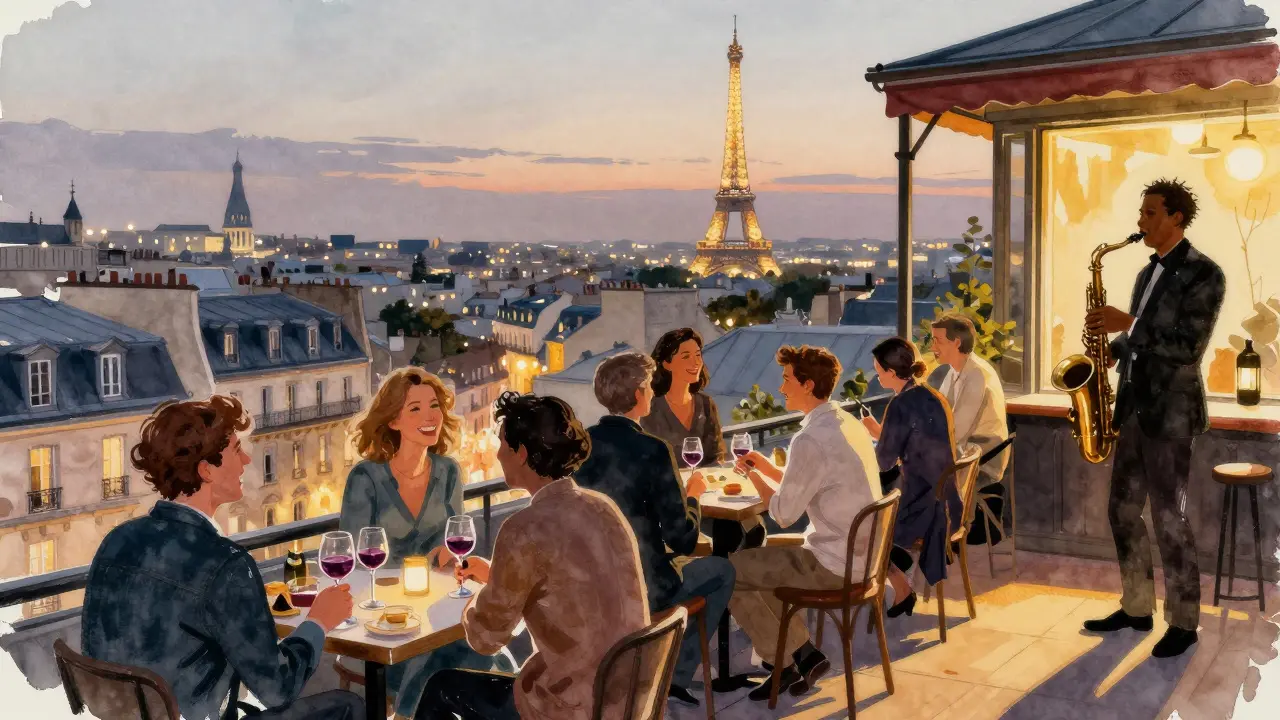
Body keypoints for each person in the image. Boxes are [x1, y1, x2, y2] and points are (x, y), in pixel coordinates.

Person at [82, 397, 363, 720]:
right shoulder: (225, 564)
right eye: (235, 450)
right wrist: (318, 622)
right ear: (206, 470)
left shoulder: (117, 540)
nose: (245, 460)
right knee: (349, 706)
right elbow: (277, 689)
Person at [415, 392, 649, 720]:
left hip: (570, 707)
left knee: (442, 687)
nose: (496, 454)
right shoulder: (601, 507)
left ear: (521, 453)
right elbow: (565, 580)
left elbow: (486, 638)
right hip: (627, 698)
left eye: (502, 445)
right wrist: (498, 574)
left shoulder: (523, 528)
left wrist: (474, 599)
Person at [1082, 177, 1225, 658]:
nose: (1140, 223)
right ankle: (1137, 606)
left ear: (1176, 218)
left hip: (1171, 413)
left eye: (1149, 214)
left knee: (1170, 518)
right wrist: (1109, 348)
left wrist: (1131, 325)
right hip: (1133, 408)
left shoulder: (1206, 273)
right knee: (1121, 511)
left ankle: (1184, 622)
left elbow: (1188, 348)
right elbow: (1140, 344)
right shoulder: (1147, 273)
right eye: (1141, 214)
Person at [340, 367, 507, 719]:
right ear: (393, 421)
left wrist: (450, 555)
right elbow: (357, 564)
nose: (430, 416)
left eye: (434, 406)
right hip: (382, 617)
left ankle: (408, 714)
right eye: (415, 409)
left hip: (438, 609)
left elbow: (455, 539)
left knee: (480, 647)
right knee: (473, 654)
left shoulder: (448, 471)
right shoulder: (366, 478)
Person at [573, 352, 735, 708]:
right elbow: (685, 539)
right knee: (722, 570)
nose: (651, 392)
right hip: (646, 588)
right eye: (648, 387)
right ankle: (672, 674)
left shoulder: (580, 447)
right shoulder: (653, 449)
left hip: (594, 585)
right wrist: (693, 497)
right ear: (638, 395)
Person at [728, 345, 881, 701]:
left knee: (731, 572)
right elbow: (811, 482)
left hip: (834, 563)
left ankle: (791, 662)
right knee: (761, 564)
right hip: (859, 555)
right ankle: (803, 656)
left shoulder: (810, 438)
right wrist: (766, 467)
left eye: (786, 380)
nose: (781, 388)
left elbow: (782, 513)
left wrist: (752, 475)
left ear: (808, 385)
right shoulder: (845, 422)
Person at [860, 337, 959, 619]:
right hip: (941, 496)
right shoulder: (931, 395)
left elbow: (883, 461)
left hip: (921, 502)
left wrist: (873, 435)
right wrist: (882, 433)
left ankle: (898, 581)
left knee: (864, 526)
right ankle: (898, 571)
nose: (877, 375)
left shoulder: (901, 404)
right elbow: (914, 444)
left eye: (878, 370)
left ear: (891, 372)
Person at [930, 313, 1010, 541]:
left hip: (984, 457)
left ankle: (940, 537)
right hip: (967, 448)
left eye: (938, 340)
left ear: (956, 342)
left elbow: (957, 431)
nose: (933, 346)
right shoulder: (954, 371)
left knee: (920, 472)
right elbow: (942, 418)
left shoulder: (977, 375)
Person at [641, 327, 725, 468]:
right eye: (686, 356)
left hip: (703, 486)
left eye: (698, 355)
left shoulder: (705, 404)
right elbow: (646, 463)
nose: (696, 363)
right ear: (667, 363)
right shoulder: (650, 407)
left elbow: (716, 457)